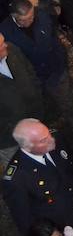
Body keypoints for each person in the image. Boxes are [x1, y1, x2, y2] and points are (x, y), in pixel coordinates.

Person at [0, 0, 73, 141]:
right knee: (47, 115)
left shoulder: (42, 16)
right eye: (25, 20)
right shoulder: (5, 32)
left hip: (55, 73)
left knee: (69, 106)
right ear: (14, 17)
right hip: (34, 80)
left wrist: (61, 66)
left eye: (32, 16)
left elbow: (55, 41)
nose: (31, 21)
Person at [0, 35, 43, 167]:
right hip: (11, 141)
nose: (5, 45)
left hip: (35, 122)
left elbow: (31, 75)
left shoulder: (13, 51)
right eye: (1, 46)